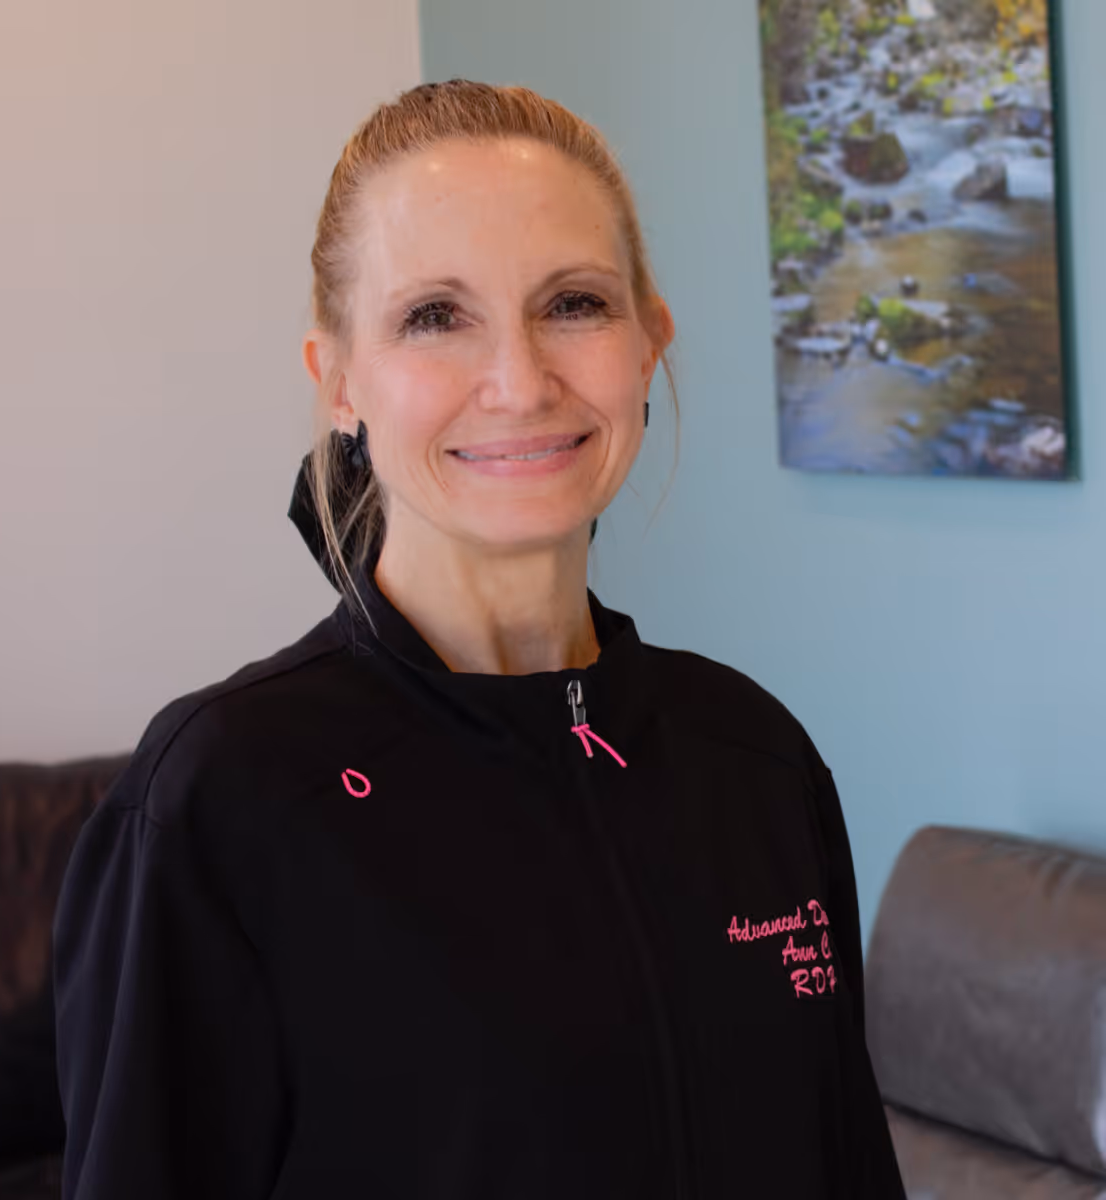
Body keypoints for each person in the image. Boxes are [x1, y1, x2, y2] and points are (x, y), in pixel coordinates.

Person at [52, 79, 906, 1199]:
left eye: (574, 304)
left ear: (650, 341)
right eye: (434, 317)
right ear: (339, 381)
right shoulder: (223, 799)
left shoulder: (754, 760)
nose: (519, 383)